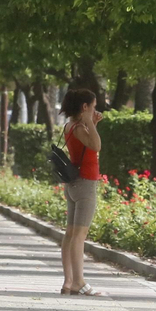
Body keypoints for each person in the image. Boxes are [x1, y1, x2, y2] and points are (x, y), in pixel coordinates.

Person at [59, 88, 104, 295]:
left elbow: (85, 146)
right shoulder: (78, 126)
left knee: (70, 234)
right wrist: (90, 123)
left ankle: (68, 282)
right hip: (85, 183)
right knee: (79, 235)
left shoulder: (71, 125)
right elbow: (96, 145)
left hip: (73, 184)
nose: (95, 110)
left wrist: (92, 124)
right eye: (93, 106)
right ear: (84, 107)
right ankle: (79, 281)